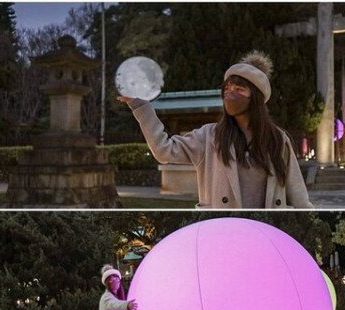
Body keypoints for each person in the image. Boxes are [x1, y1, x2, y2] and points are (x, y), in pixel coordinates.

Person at [118, 51, 313, 209]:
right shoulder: (209, 136)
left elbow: (298, 196)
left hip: (266, 227)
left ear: (256, 98)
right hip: (223, 228)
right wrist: (142, 108)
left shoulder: (278, 139)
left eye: (239, 89)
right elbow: (164, 151)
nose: (231, 93)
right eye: (227, 88)